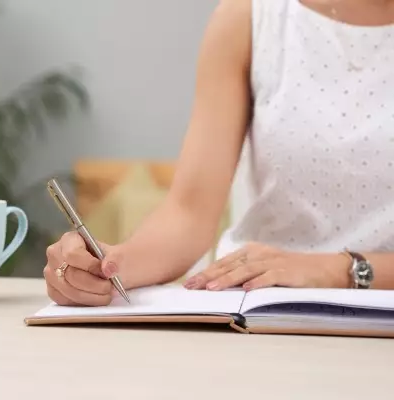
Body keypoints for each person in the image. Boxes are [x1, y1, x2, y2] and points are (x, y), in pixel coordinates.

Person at [43, 0, 394, 306]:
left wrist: (337, 269)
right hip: (257, 310)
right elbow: (189, 213)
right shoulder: (251, 17)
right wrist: (109, 266)